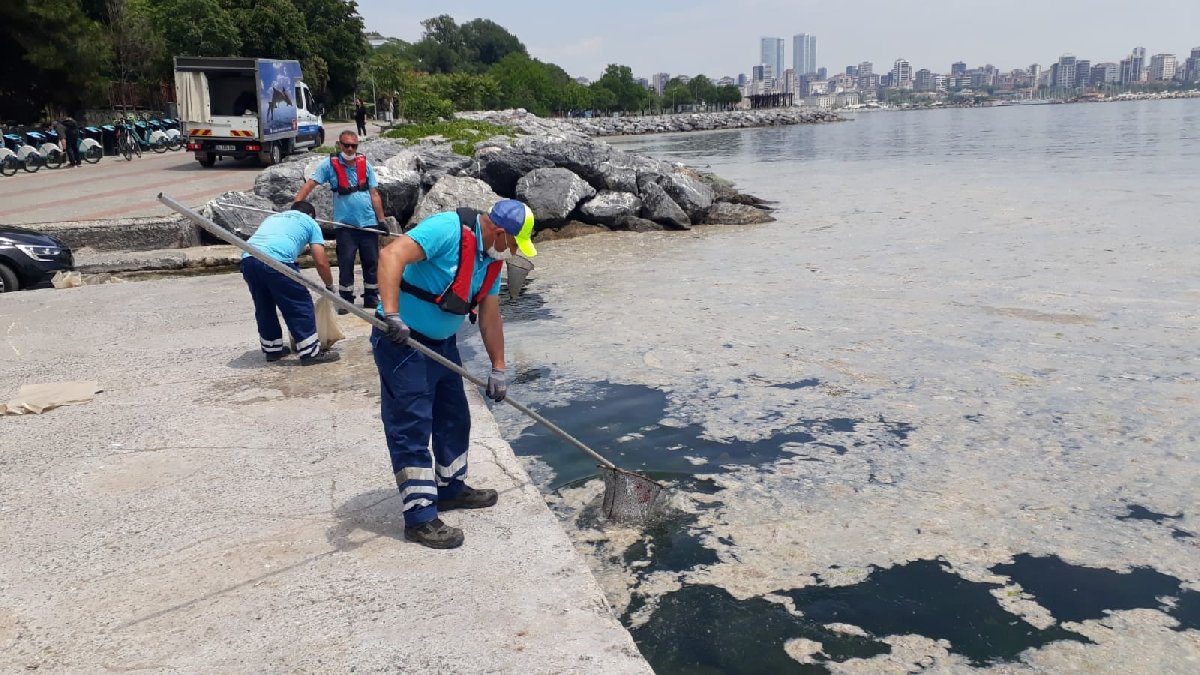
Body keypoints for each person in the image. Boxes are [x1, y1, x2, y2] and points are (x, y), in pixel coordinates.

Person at [372, 199, 537, 549]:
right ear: (499, 232)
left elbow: (490, 315)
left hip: (443, 344)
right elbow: (391, 255)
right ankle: (419, 517)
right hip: (403, 343)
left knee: (454, 418)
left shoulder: (490, 260)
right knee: (411, 424)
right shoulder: (446, 229)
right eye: (513, 244)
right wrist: (391, 315)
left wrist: (499, 367)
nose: (511, 253)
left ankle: (450, 488)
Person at [293, 131, 387, 315]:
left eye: (354, 146)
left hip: (368, 222)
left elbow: (374, 194)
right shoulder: (329, 165)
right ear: (339, 145)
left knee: (371, 261)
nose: (350, 149)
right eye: (346, 145)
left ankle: (371, 295)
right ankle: (345, 298)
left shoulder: (365, 164)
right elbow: (310, 185)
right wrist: (296, 207)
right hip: (345, 225)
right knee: (346, 261)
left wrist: (381, 220)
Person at [240, 201, 340, 365]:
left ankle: (272, 350)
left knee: (264, 305)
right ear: (311, 214)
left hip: (248, 260)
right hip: (277, 261)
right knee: (299, 304)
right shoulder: (310, 222)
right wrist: (329, 286)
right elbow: (320, 260)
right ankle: (310, 353)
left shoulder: (274, 218)